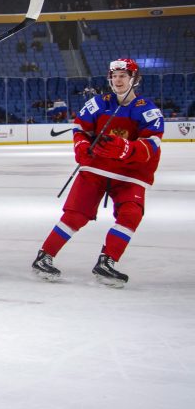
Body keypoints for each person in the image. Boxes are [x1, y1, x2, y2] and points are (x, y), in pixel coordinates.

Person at [32, 58, 164, 288]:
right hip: (97, 167)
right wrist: (81, 147)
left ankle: (108, 261)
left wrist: (125, 149)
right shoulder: (99, 103)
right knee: (75, 215)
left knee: (131, 214)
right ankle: (44, 256)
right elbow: (80, 128)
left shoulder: (148, 110)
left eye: (123, 75)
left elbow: (151, 146)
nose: (118, 80)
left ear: (134, 79)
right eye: (115, 76)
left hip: (130, 174)